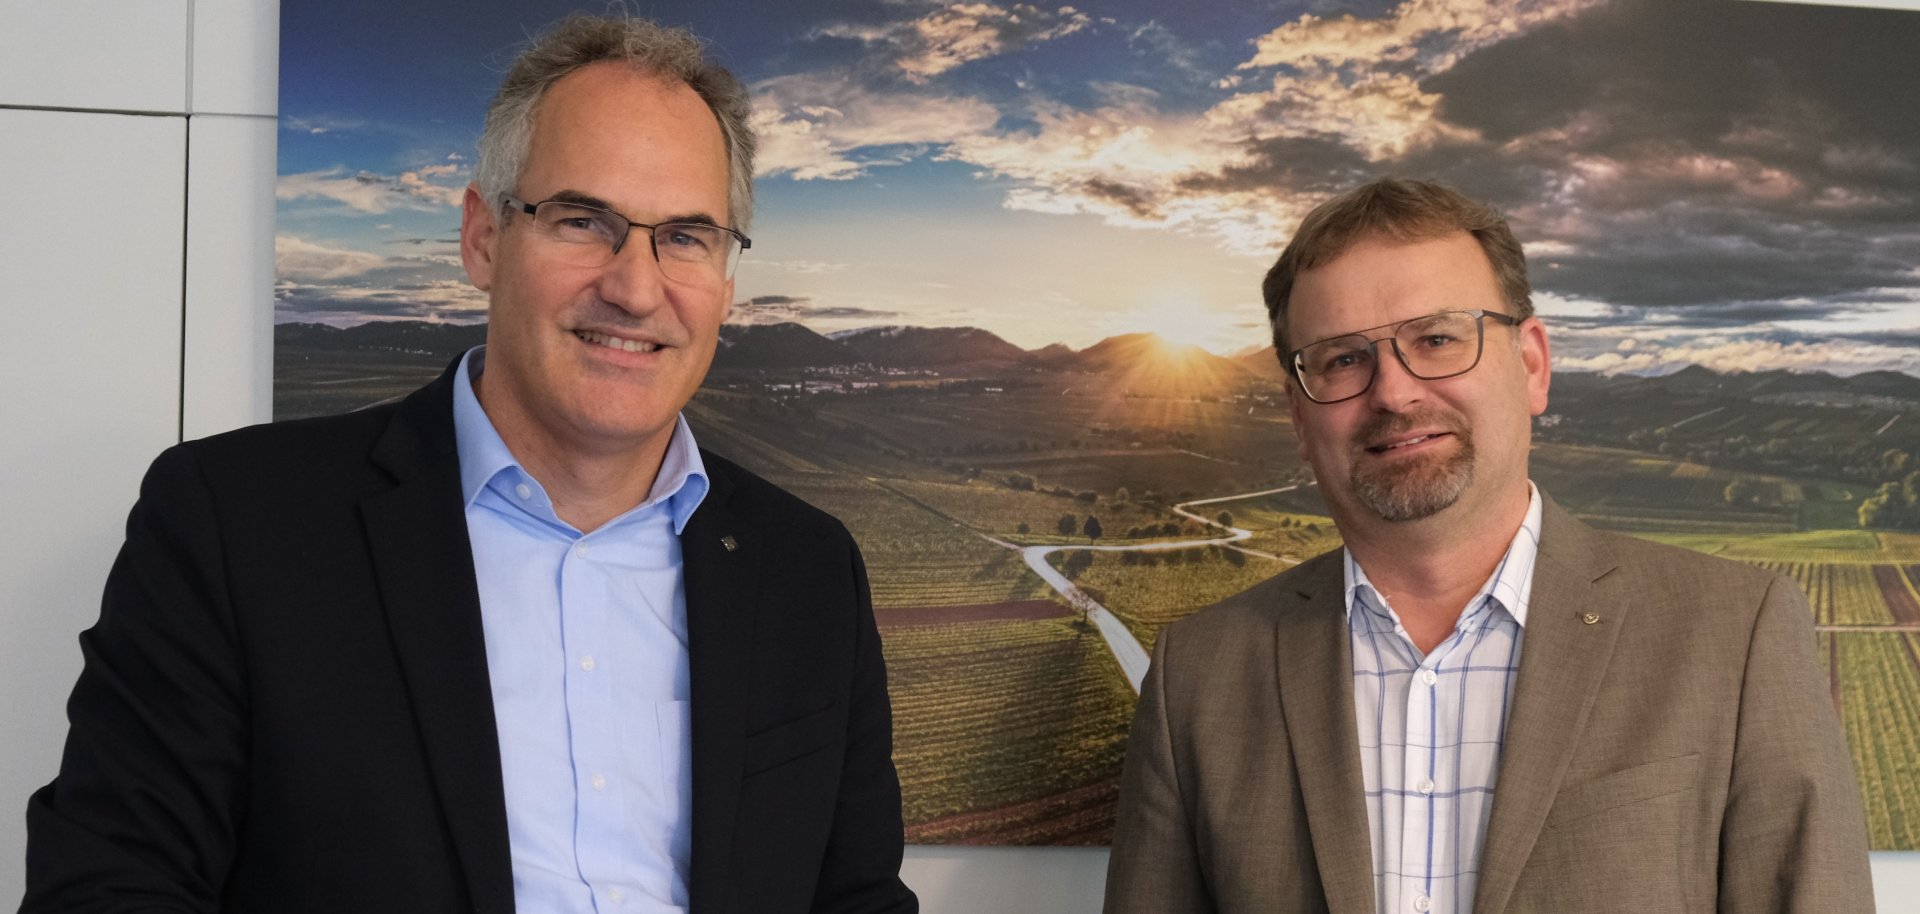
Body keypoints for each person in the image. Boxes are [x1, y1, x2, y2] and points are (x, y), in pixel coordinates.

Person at [23, 14, 917, 914]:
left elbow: (858, 898)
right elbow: (109, 888)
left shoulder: (809, 570)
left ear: (726, 279)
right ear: (483, 239)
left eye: (685, 237)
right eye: (583, 220)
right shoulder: (235, 525)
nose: (636, 288)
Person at [1103, 178, 1874, 914]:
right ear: (1300, 418)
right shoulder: (1198, 677)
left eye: (1437, 338)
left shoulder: (1733, 635)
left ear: (1532, 364)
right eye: (1342, 358)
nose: (1395, 392)